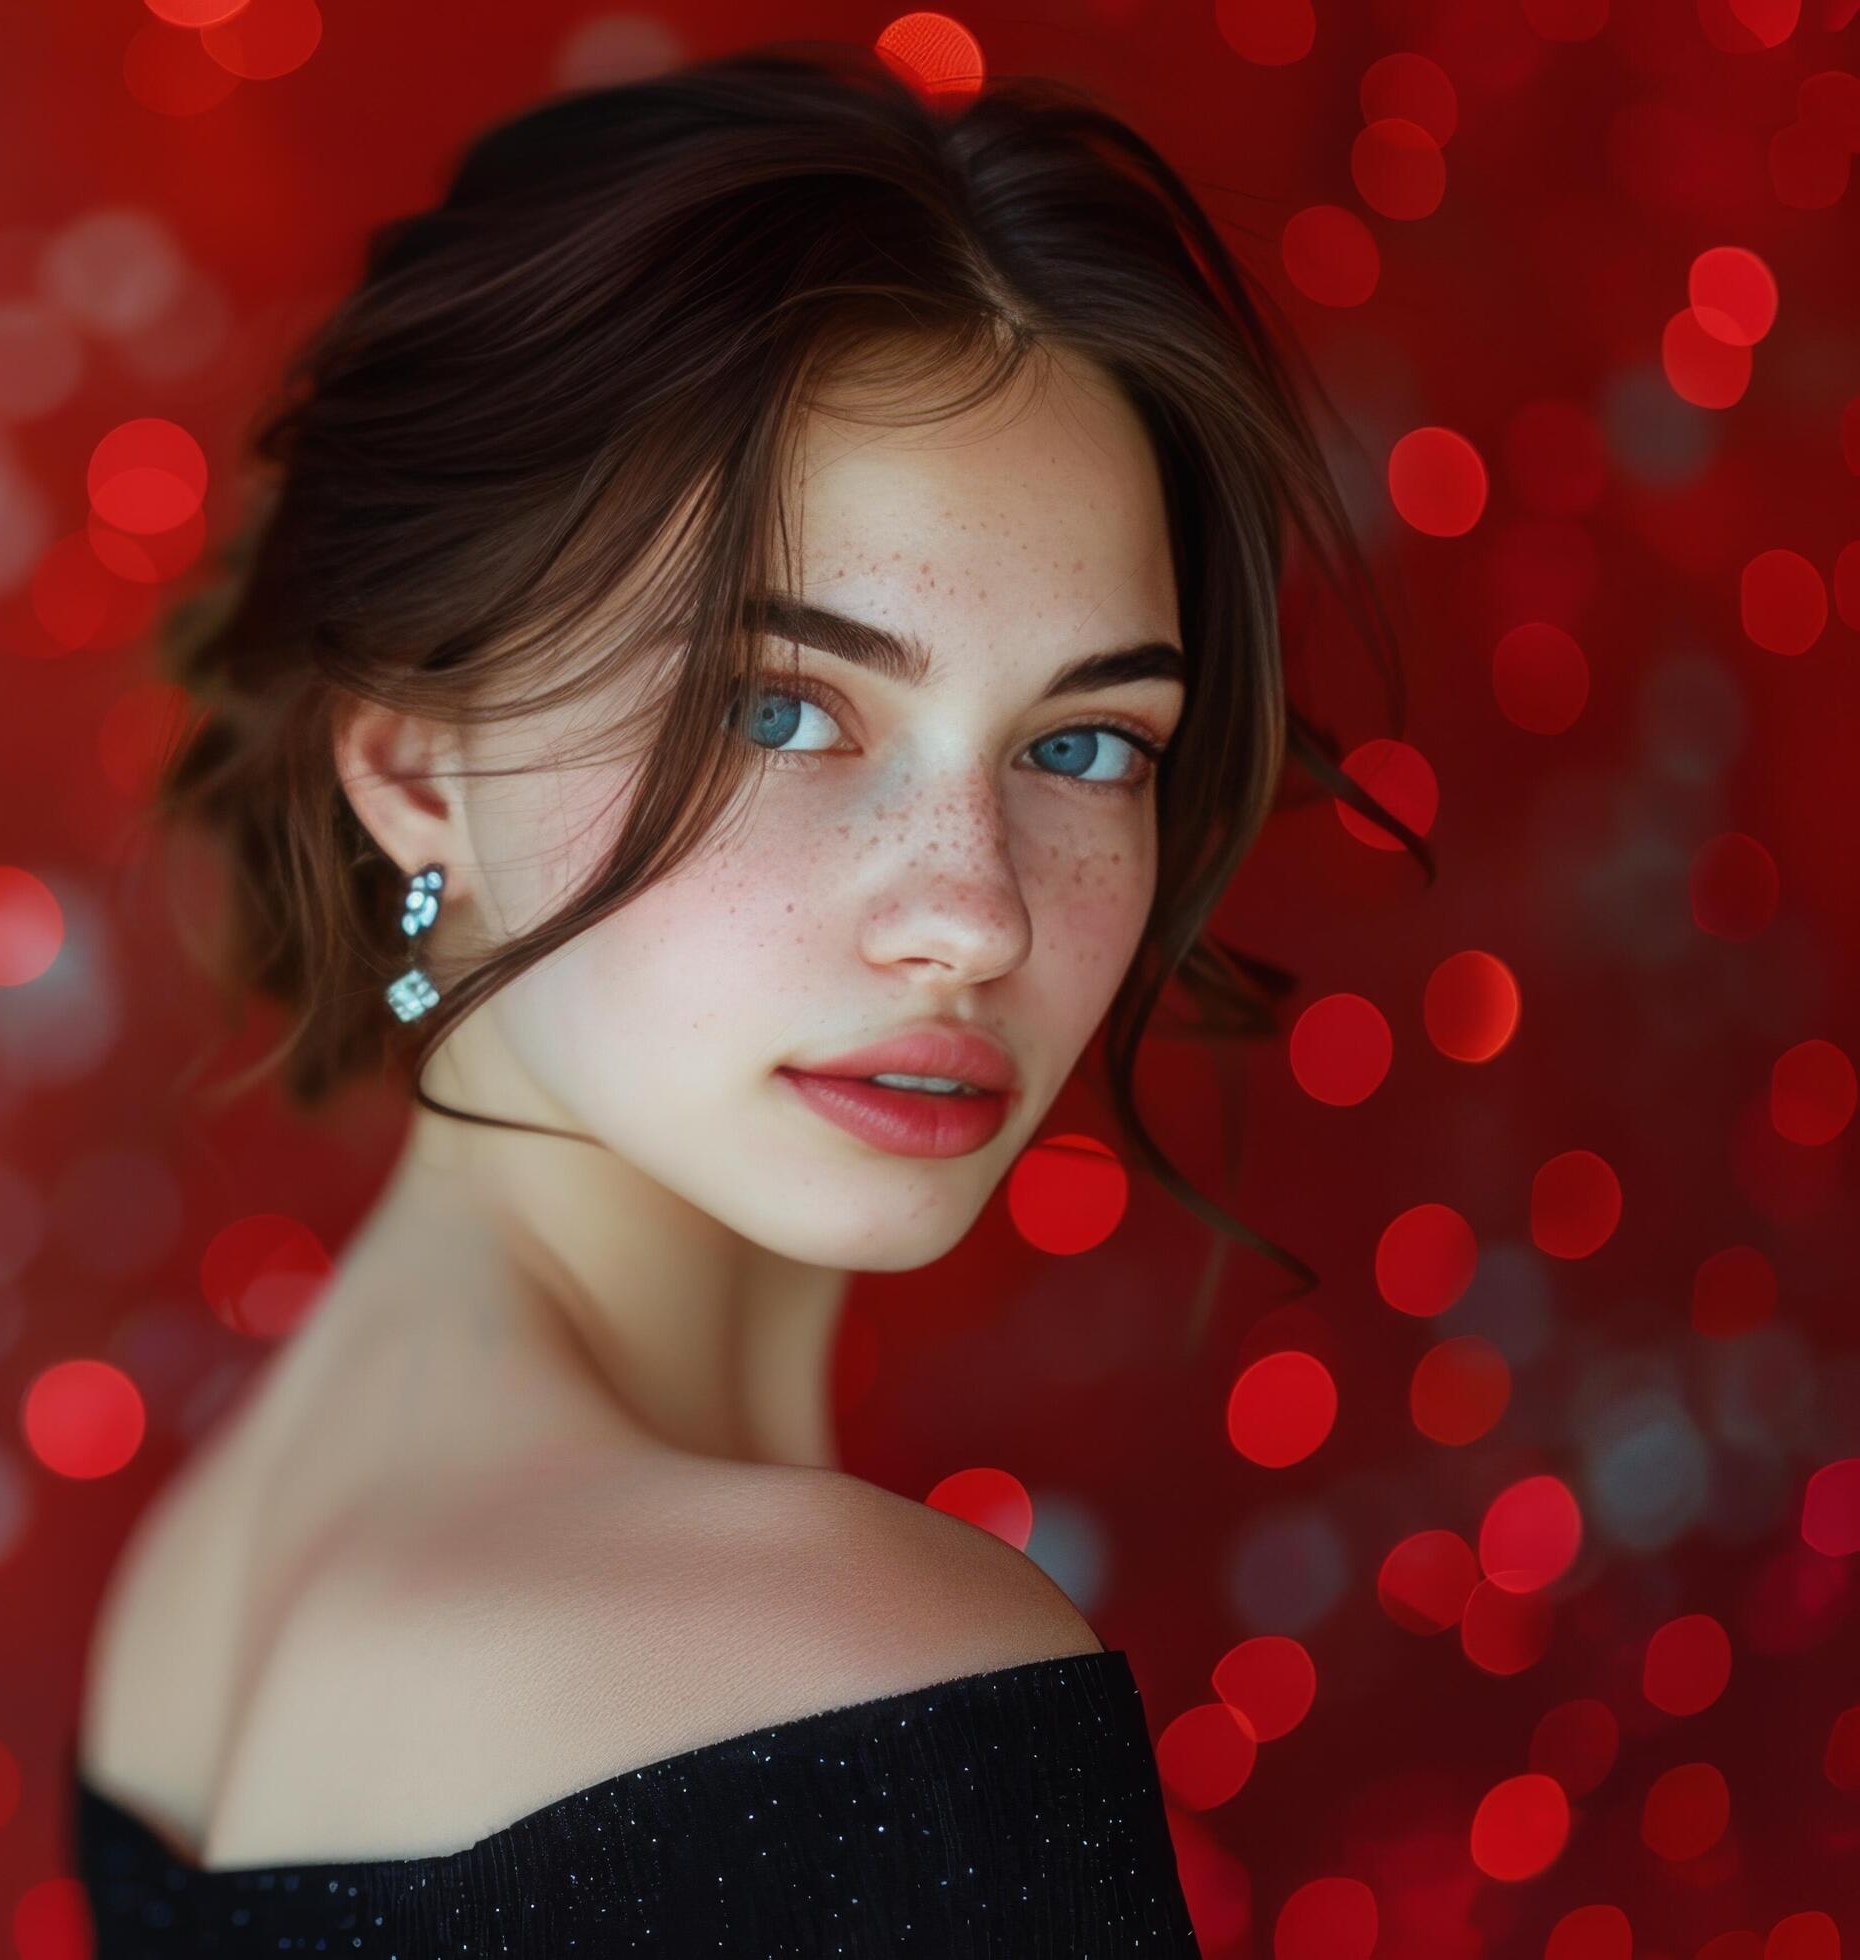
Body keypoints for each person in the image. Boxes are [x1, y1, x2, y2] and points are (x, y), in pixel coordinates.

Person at [70, 38, 1422, 1955]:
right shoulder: (843, 1679)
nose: (971, 917)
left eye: (1086, 745)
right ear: (416, 767)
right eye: (777, 707)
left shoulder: (222, 1567)